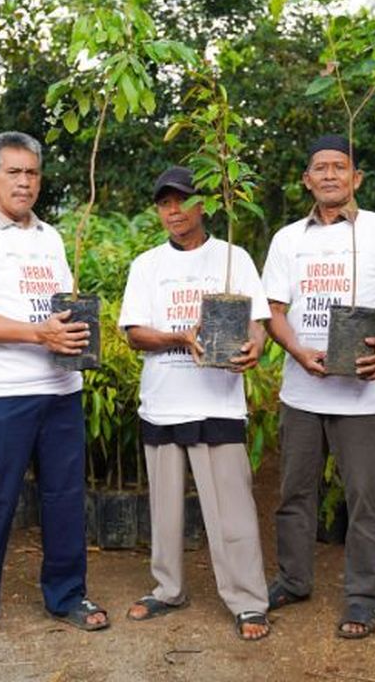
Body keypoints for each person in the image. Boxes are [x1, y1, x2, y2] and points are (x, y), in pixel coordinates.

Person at [0, 131, 109, 644]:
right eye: (13, 173)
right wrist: (37, 333)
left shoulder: (50, 238)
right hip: (2, 395)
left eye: (32, 173)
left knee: (64, 497)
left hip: (61, 390)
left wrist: (73, 335)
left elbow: (58, 307)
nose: (24, 182)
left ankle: (67, 594)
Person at [260, 134, 375, 639]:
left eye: (339, 167)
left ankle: (362, 598)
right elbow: (273, 312)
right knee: (294, 493)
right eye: (320, 168)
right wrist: (296, 350)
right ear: (307, 180)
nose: (329, 175)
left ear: (356, 179)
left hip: (363, 396)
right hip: (302, 394)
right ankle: (293, 578)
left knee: (366, 500)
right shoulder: (289, 239)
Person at [117, 166, 272, 641]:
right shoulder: (147, 265)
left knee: (233, 511)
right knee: (165, 512)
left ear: (203, 204)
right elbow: (134, 334)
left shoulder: (233, 259)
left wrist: (254, 348)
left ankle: (248, 601)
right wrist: (179, 338)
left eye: (181, 201)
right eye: (164, 203)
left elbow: (258, 322)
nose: (173, 212)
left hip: (219, 404)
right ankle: (168, 590)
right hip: (163, 402)